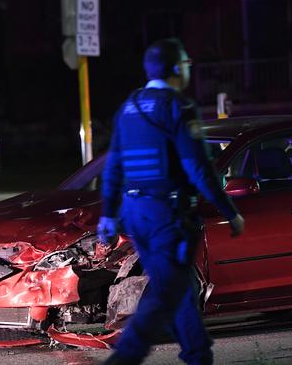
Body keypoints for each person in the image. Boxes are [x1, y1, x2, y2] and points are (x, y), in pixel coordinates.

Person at [98, 38, 244, 365]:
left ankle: (197, 356)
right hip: (167, 215)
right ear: (176, 68)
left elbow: (113, 167)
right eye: (187, 62)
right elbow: (199, 169)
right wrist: (229, 212)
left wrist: (108, 215)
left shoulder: (129, 107)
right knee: (164, 294)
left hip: (136, 214)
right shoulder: (178, 106)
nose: (190, 67)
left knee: (178, 290)